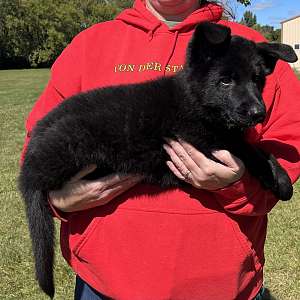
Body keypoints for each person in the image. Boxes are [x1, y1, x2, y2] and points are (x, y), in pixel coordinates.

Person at [21, 0, 300, 299]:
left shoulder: (246, 48)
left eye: (257, 82)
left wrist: (238, 184)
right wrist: (59, 199)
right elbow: (35, 156)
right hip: (104, 285)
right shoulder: (90, 45)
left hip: (222, 288)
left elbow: (286, 163)